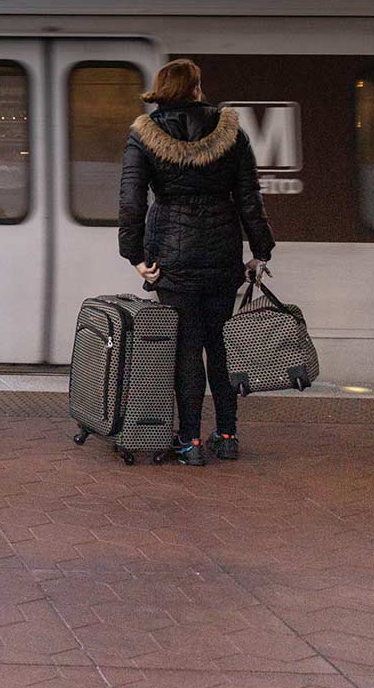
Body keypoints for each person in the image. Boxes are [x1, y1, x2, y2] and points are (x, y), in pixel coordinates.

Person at [117, 58, 275, 465]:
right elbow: (249, 199)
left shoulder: (143, 136)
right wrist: (261, 250)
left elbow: (131, 201)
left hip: (172, 256)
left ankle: (190, 443)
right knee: (220, 346)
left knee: (186, 349)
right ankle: (227, 435)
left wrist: (134, 256)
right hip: (222, 254)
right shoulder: (231, 132)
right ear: (196, 88)